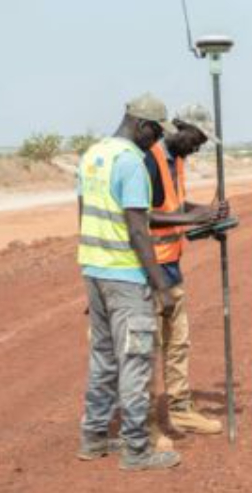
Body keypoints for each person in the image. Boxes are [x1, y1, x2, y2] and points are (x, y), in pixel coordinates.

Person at [76, 92, 182, 472]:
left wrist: (95, 276)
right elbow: (138, 229)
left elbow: (83, 215)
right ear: (141, 125)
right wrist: (161, 287)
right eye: (156, 132)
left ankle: (93, 438)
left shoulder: (92, 156)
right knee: (136, 361)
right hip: (125, 277)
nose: (157, 140)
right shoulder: (131, 162)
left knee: (103, 359)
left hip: (95, 271)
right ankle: (137, 450)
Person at [143, 104, 229, 442]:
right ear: (179, 127)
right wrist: (194, 218)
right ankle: (146, 425)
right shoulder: (148, 160)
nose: (198, 147)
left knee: (178, 343)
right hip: (148, 271)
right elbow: (142, 216)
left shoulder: (176, 160)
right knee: (147, 350)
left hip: (172, 267)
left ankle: (180, 409)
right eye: (197, 139)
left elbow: (175, 208)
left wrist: (208, 213)